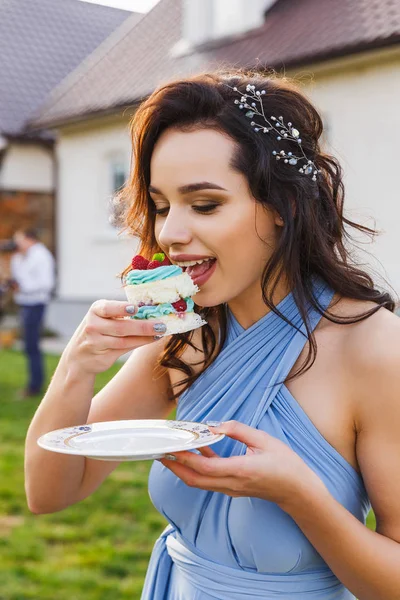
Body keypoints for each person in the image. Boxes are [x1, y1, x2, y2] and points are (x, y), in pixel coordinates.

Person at [24, 69, 400, 599]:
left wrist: (299, 496)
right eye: (160, 206)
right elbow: (49, 493)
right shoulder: (183, 337)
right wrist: (76, 367)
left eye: (204, 205)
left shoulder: (377, 350)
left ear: (283, 208)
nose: (169, 234)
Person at [10, 229, 55, 397]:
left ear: (29, 239)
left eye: (19, 239)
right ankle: (35, 383)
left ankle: (35, 386)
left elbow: (46, 283)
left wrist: (23, 286)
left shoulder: (41, 256)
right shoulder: (20, 257)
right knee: (28, 345)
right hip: (24, 304)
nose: (16, 244)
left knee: (32, 345)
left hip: (36, 304)